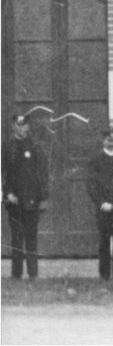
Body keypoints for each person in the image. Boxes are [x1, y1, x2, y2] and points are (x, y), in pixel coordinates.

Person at [3, 114, 50, 280]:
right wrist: (7, 193)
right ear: (13, 126)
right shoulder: (7, 146)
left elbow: (43, 173)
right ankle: (16, 274)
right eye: (18, 125)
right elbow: (4, 173)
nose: (21, 128)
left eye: (24, 125)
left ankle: (33, 273)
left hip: (32, 199)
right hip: (14, 199)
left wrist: (43, 198)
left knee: (31, 236)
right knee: (16, 237)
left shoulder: (35, 146)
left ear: (28, 127)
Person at [87, 127, 113, 280]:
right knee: (104, 242)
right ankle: (104, 275)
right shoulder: (95, 161)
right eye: (108, 140)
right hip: (104, 208)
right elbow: (91, 185)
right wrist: (101, 203)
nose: (111, 143)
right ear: (103, 141)